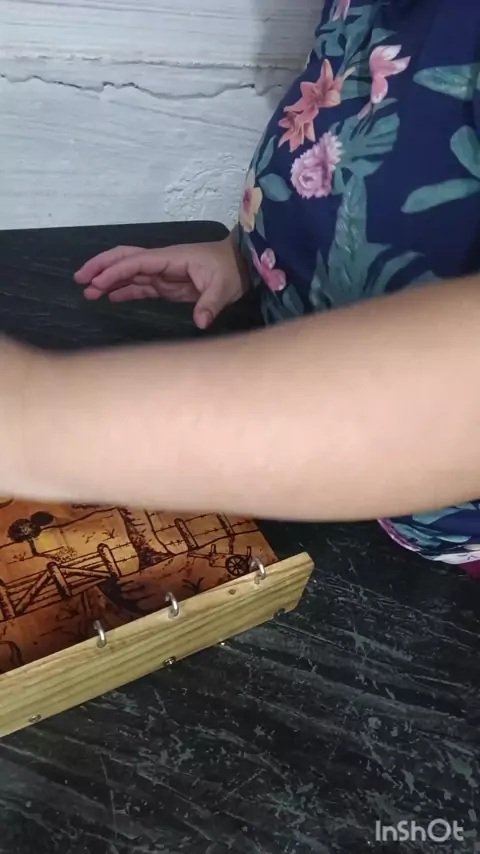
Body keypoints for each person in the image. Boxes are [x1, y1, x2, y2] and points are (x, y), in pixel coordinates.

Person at [3, 0, 480, 576]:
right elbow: (359, 168)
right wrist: (247, 255)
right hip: (293, 455)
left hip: (440, 536)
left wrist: (36, 418)